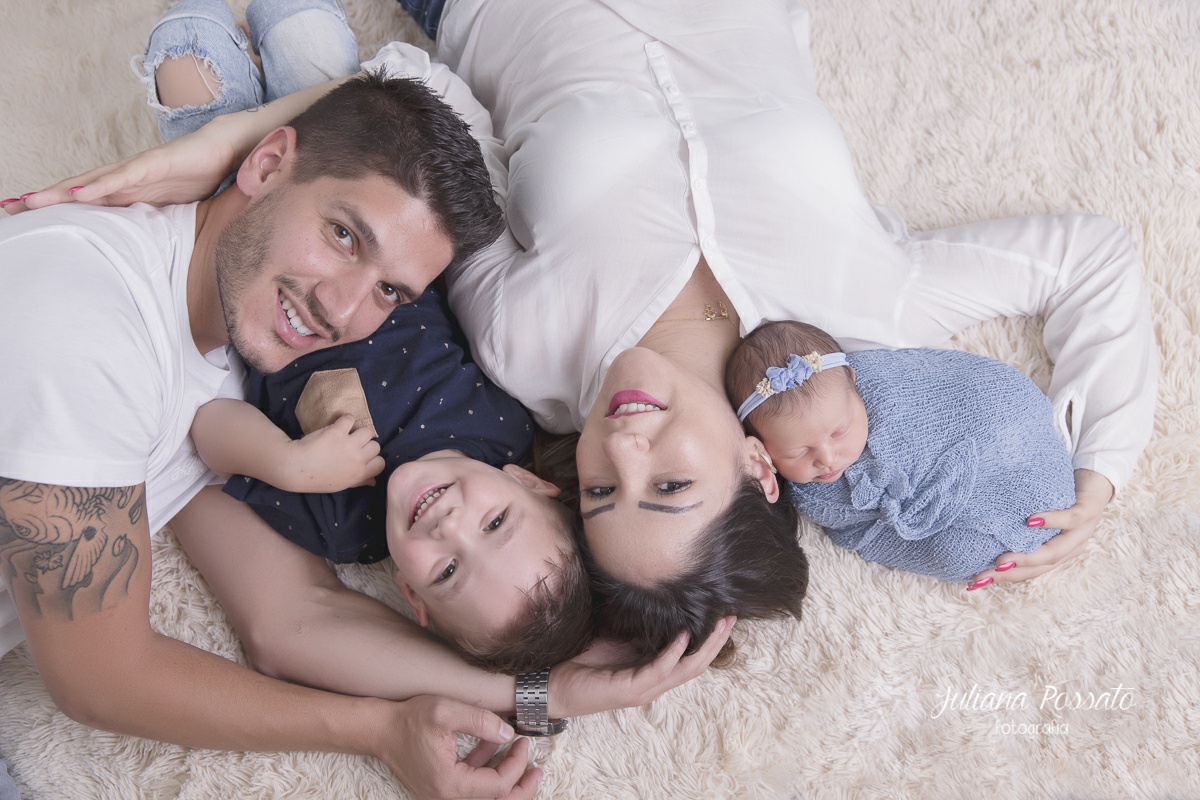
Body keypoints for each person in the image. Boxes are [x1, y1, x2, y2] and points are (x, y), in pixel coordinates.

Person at [10, 0, 1157, 668]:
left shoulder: (524, 349)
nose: (623, 448)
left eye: (603, 493)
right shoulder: (865, 315)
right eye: (670, 485)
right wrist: (1103, 471)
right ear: (760, 467)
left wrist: (236, 141)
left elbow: (425, 108)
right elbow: (1092, 257)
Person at [725, 320, 1078, 585]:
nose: (828, 458)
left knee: (1007, 416)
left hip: (1000, 416)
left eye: (839, 431)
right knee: (955, 554)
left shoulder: (878, 385)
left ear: (852, 381)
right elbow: (857, 528)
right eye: (798, 452)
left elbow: (956, 384)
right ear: (762, 447)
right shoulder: (811, 493)